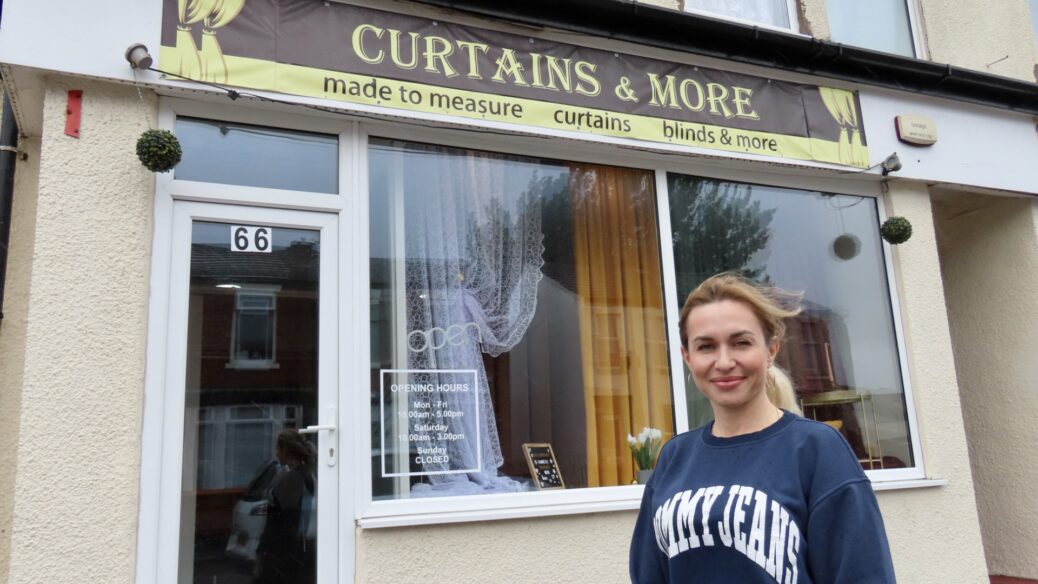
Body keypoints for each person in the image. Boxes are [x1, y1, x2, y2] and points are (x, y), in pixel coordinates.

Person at [630, 273, 895, 583]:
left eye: (741, 342)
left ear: (771, 350)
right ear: (687, 357)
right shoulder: (675, 456)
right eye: (706, 347)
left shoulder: (816, 449)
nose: (724, 361)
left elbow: (863, 573)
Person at [254, 429, 316, 584]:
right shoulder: (302, 474)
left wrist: (263, 551)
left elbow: (283, 518)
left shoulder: (294, 478)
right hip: (291, 551)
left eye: (278, 448)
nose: (276, 453)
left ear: (286, 450)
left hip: (283, 553)